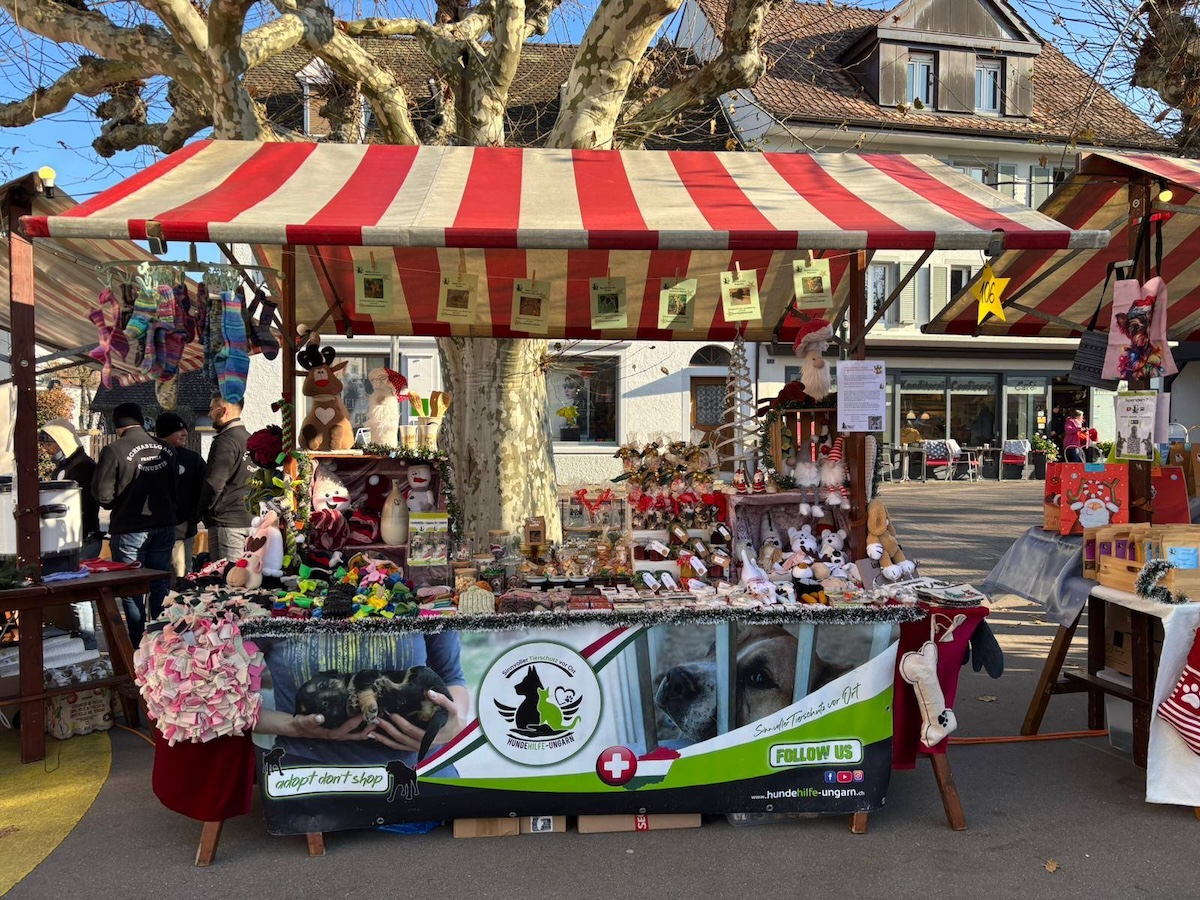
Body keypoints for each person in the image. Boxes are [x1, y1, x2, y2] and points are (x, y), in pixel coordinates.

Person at [92, 402, 177, 645]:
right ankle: (161, 643)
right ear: (141, 421)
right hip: (164, 524)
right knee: (160, 584)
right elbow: (175, 488)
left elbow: (103, 495)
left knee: (131, 589)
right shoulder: (167, 449)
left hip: (130, 527)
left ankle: (137, 644)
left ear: (117, 426)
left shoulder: (114, 450)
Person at [39, 418, 103, 649]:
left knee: (80, 593)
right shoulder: (69, 464)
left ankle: (89, 641)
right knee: (75, 593)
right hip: (70, 538)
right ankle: (81, 639)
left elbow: (81, 504)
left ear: (61, 441)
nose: (46, 450)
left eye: (49, 444)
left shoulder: (82, 466)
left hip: (81, 537)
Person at [198, 394, 254, 561]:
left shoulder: (225, 441)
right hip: (250, 519)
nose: (209, 415)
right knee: (248, 577)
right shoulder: (249, 439)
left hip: (227, 521)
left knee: (228, 579)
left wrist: (200, 511)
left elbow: (214, 484)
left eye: (211, 409)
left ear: (223, 411)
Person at [155, 412, 206, 581]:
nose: (185, 433)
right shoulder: (150, 455)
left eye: (185, 429)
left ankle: (180, 604)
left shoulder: (193, 459)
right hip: (153, 526)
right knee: (156, 573)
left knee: (181, 571)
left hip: (183, 528)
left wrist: (194, 516)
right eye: (179, 430)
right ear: (165, 433)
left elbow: (204, 489)